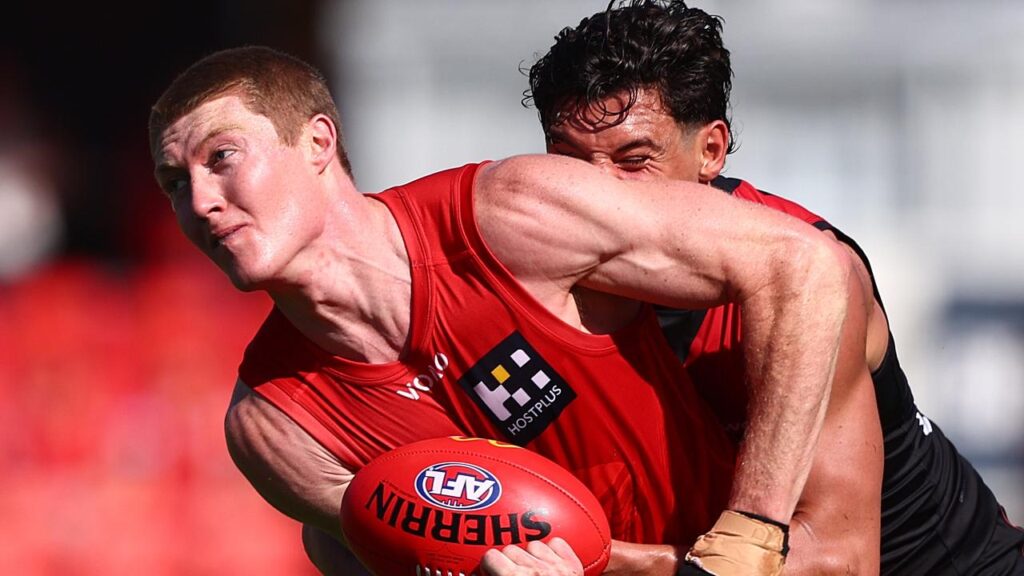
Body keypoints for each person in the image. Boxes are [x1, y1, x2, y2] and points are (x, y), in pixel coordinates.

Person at [149, 46, 860, 575]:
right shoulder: (274, 426)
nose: (200, 202)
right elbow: (389, 559)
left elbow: (807, 266)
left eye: (223, 157)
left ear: (318, 142)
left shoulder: (506, 216)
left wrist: (748, 536)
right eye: (174, 182)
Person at [519, 1, 1024, 575]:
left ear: (710, 151)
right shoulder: (523, 261)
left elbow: (839, 561)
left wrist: (600, 561)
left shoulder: (812, 276)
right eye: (571, 165)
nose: (594, 198)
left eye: (634, 161)